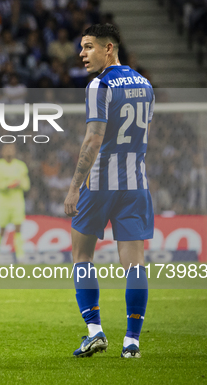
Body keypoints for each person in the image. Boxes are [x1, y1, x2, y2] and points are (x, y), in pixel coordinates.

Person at [63, 24, 155, 359]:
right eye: (81, 48)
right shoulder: (145, 84)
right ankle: (132, 341)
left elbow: (94, 138)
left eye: (88, 47)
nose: (82, 54)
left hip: (100, 180)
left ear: (109, 48)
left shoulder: (99, 85)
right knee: (135, 264)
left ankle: (95, 331)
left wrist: (74, 188)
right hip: (135, 181)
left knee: (82, 255)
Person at [0, 144, 30, 262]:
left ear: (15, 151)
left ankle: (20, 256)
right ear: (2, 151)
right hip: (2, 203)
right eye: (7, 149)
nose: (9, 151)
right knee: (1, 229)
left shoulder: (21, 166)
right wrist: (9, 184)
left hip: (17, 202)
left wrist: (18, 183)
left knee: (18, 229)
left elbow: (26, 185)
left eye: (12, 149)